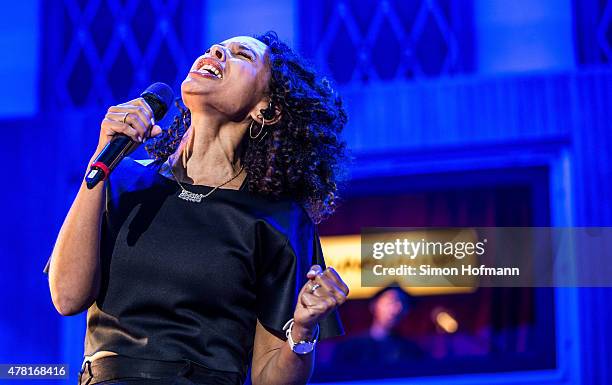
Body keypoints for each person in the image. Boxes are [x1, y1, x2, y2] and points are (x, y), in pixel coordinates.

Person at [44, 31, 349, 385]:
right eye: (213, 48)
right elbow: (67, 297)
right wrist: (101, 156)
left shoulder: (279, 219)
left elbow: (270, 379)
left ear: (266, 109)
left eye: (242, 55)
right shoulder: (121, 178)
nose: (217, 51)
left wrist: (303, 330)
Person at [332, 286, 424, 374]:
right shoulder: (351, 348)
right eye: (392, 302)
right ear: (374, 305)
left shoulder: (412, 350)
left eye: (403, 303)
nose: (397, 309)